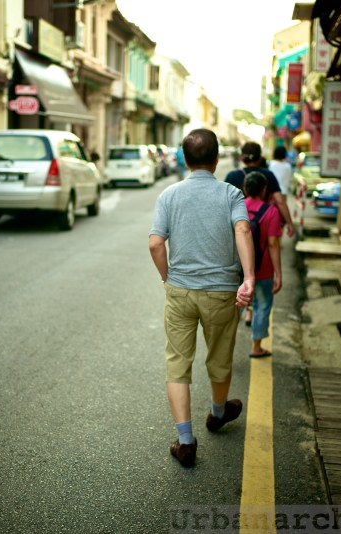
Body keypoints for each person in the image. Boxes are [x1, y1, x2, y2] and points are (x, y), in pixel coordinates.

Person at [149, 128, 255, 468]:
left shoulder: (169, 195)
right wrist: (249, 278)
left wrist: (167, 277)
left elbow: (155, 243)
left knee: (177, 363)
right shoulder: (231, 194)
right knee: (220, 358)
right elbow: (242, 230)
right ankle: (217, 414)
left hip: (180, 291)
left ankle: (185, 441)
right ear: (216, 159)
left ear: (184, 158)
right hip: (221, 292)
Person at [242, 171, 283, 357]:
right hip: (263, 268)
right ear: (264, 190)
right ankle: (256, 347)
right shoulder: (271, 211)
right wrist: (278, 274)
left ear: (245, 189)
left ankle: (224, 348)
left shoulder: (238, 207)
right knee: (262, 306)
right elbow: (273, 244)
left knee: (234, 307)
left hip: (240, 268)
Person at [225, 141, 295, 239]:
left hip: (238, 225)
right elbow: (280, 201)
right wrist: (289, 223)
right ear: (259, 158)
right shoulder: (268, 175)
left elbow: (224, 204)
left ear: (242, 158)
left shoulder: (232, 176)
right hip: (262, 224)